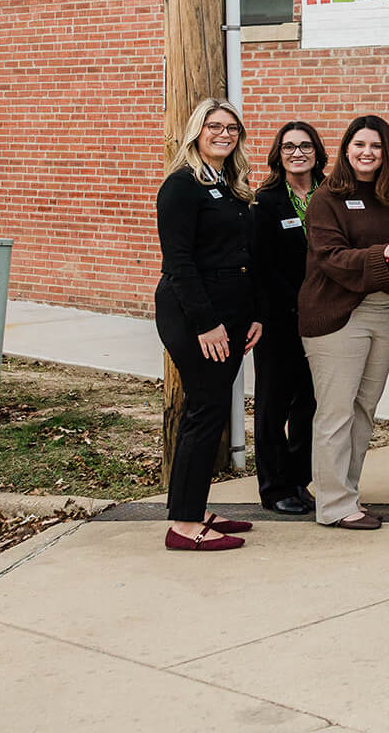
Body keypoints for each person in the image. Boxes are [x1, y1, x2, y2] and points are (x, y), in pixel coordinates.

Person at [153, 97, 262, 551]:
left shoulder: (231, 185)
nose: (224, 133)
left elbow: (242, 257)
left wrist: (254, 312)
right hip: (195, 313)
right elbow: (179, 263)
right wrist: (206, 324)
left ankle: (192, 507)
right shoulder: (181, 186)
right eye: (214, 126)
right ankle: (182, 524)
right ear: (197, 131)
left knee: (212, 408)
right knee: (205, 410)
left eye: (232, 127)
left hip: (232, 313)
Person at [299, 115, 389, 530]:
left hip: (385, 314)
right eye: (359, 144)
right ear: (346, 149)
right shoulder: (327, 197)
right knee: (335, 413)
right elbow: (329, 257)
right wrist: (382, 253)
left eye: (377, 146)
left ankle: (347, 494)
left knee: (365, 410)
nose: (367, 152)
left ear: (387, 153)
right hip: (336, 315)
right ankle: (333, 506)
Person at [249, 121, 323, 516]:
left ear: (317, 152)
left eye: (305, 146)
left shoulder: (329, 195)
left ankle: (298, 479)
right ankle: (274, 486)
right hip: (278, 320)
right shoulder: (264, 202)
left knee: (310, 404)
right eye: (289, 146)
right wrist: (264, 313)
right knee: (273, 405)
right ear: (279, 154)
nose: (298, 153)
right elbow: (259, 265)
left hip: (322, 318)